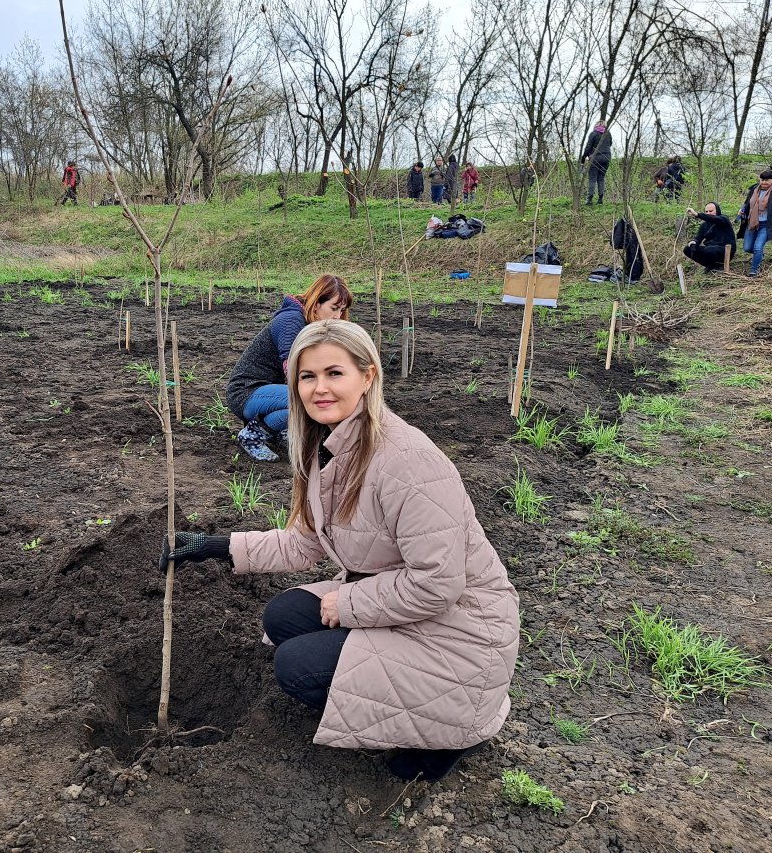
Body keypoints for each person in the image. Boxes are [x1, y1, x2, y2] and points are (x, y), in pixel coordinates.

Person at [164, 319, 519, 782]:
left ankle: (452, 734)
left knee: (296, 667)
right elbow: (305, 541)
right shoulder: (325, 448)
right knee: (284, 617)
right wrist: (216, 546)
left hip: (461, 634)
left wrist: (345, 604)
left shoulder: (408, 462)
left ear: (367, 376)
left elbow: (438, 584)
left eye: (335, 373)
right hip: (405, 606)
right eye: (307, 377)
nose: (319, 388)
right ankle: (383, 699)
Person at [225, 274, 353, 462]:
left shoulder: (311, 324)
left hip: (269, 392)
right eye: (334, 308)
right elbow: (291, 365)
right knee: (308, 398)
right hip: (246, 392)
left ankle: (276, 431)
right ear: (316, 303)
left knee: (311, 396)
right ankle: (252, 435)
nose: (337, 316)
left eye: (341, 310)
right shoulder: (291, 320)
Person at [682, 202, 736, 271]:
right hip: (710, 249)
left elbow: (713, 218)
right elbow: (698, 238)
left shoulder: (724, 219)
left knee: (709, 249)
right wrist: (694, 242)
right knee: (687, 249)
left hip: (725, 250)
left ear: (717, 211)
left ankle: (720, 265)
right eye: (706, 211)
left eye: (711, 211)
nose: (708, 213)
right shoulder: (704, 225)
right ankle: (710, 265)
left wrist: (697, 215)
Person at [581, 121, 612, 205]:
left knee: (592, 178)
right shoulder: (608, 133)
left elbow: (588, 147)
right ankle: (600, 200)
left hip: (595, 158)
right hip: (606, 158)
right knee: (601, 178)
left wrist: (583, 159)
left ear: (596, 126)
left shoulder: (593, 133)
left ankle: (589, 199)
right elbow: (610, 144)